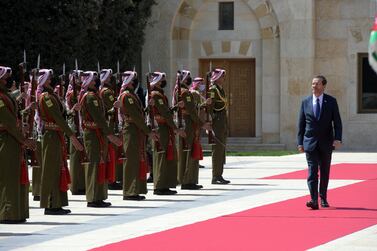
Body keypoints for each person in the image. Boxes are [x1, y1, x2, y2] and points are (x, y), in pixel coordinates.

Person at [37, 69, 83, 215]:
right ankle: (50, 204)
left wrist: (70, 112)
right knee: (51, 170)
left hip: (56, 135)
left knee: (58, 169)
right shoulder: (47, 98)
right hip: (51, 136)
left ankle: (57, 203)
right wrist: (72, 136)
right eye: (50, 78)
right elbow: (57, 118)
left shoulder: (52, 96)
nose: (53, 80)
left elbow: (61, 116)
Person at [297, 75, 342, 210]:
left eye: (316, 84)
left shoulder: (331, 101)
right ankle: (313, 199)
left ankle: (323, 198)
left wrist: (338, 138)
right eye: (312, 84)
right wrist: (300, 143)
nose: (314, 86)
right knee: (312, 172)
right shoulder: (305, 102)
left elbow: (337, 122)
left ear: (323, 86)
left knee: (324, 171)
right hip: (310, 142)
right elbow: (301, 124)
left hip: (326, 143)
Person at [79, 71, 122, 207]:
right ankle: (93, 198)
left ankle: (99, 196)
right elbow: (98, 118)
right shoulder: (90, 97)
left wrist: (111, 110)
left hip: (98, 134)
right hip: (93, 134)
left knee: (100, 163)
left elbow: (100, 116)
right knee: (94, 165)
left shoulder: (95, 96)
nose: (96, 81)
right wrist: (110, 135)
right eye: (94, 80)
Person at [0, 66, 34, 223]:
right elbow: (8, 122)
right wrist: (24, 139)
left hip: (12, 140)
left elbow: (13, 118)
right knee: (8, 177)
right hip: (5, 140)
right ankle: (7, 213)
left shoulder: (5, 95)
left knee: (15, 176)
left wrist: (21, 122)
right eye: (5, 77)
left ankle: (17, 212)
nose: (8, 79)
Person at [117, 71, 157, 200]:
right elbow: (136, 117)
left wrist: (147, 108)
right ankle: (129, 191)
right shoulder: (127, 96)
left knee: (136, 161)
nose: (135, 82)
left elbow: (137, 114)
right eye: (134, 80)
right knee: (131, 162)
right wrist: (148, 131)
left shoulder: (132, 95)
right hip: (131, 131)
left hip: (136, 131)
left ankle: (135, 190)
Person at [150, 72, 185, 195]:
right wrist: (175, 128)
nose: (163, 81)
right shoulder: (156, 95)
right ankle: (159, 186)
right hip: (161, 128)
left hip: (165, 128)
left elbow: (166, 111)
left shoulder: (159, 95)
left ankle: (164, 185)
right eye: (162, 80)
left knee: (167, 157)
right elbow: (165, 113)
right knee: (162, 157)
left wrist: (175, 107)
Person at [174, 71, 211, 190]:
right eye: (188, 78)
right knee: (190, 152)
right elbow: (192, 111)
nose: (190, 79)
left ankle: (188, 180)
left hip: (188, 123)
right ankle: (188, 180)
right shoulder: (186, 93)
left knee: (187, 152)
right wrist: (202, 124)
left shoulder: (179, 91)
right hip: (190, 124)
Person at [99, 69, 122, 190]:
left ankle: (111, 179)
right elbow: (112, 107)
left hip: (109, 123)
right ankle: (110, 180)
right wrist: (115, 107)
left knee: (110, 153)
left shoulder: (103, 91)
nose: (110, 79)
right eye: (109, 77)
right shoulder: (107, 92)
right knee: (110, 153)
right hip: (110, 124)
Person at [208, 69, 230, 184]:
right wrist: (210, 122)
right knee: (217, 149)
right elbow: (210, 108)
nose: (223, 78)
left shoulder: (220, 90)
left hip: (222, 122)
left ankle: (219, 174)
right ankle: (215, 176)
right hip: (217, 122)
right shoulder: (213, 90)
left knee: (221, 149)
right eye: (222, 76)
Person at [66, 70, 86, 195]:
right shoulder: (70, 93)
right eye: (78, 78)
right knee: (74, 156)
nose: (80, 80)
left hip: (82, 124)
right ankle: (74, 185)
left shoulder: (81, 91)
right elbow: (70, 109)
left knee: (82, 156)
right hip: (74, 124)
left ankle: (82, 184)